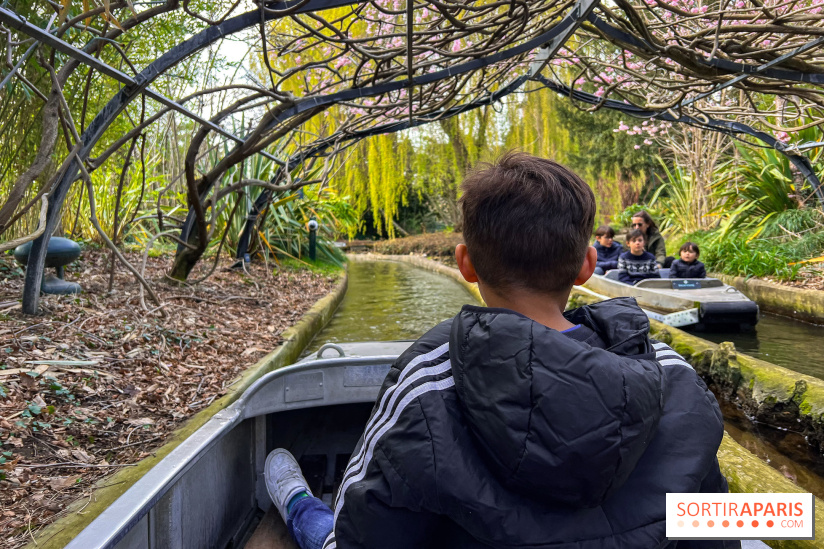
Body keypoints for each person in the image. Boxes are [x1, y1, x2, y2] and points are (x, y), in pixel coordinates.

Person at [264, 152, 735, 549]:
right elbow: (720, 525)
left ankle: (299, 504)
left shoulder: (427, 377)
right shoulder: (673, 377)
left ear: (466, 264)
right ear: (587, 266)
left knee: (325, 531)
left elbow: (367, 531)